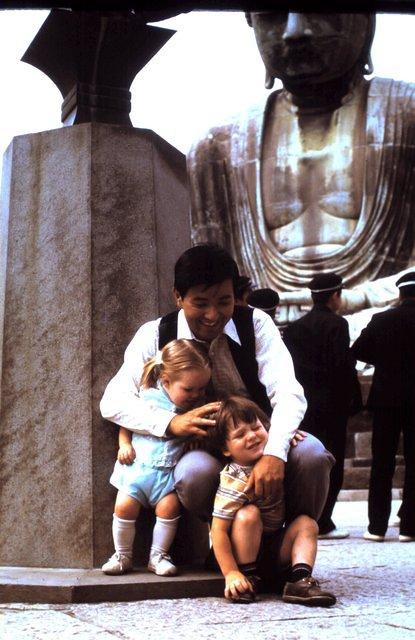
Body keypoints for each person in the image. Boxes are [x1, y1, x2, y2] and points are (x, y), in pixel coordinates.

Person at [188, 13, 415, 329]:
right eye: (273, 14)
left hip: (381, 323)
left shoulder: (407, 116)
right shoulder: (217, 148)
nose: (295, 31)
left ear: (367, 18)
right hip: (266, 331)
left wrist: (354, 301)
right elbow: (207, 290)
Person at [100, 243, 334, 541]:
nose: (213, 315)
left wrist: (275, 451)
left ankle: (294, 544)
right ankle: (225, 544)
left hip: (258, 437)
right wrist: (171, 424)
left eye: (224, 302)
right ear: (178, 297)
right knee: (192, 474)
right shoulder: (155, 334)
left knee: (312, 455)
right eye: (200, 303)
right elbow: (113, 401)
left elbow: (288, 391)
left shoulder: (255, 324)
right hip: (200, 450)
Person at [210, 396, 336, 607]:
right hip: (242, 550)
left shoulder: (276, 458)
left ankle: (299, 581)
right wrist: (231, 572)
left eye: (256, 428)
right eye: (240, 434)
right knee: (247, 514)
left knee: (307, 523)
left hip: (274, 548)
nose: (251, 436)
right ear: (225, 449)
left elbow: (276, 437)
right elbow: (218, 530)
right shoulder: (234, 479)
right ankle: (248, 579)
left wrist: (284, 437)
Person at [101, 338, 212, 576]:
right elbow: (127, 421)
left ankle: (158, 555)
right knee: (123, 506)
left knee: (170, 509)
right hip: (138, 469)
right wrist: (124, 444)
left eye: (201, 389)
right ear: (166, 381)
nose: (196, 395)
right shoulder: (149, 397)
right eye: (189, 390)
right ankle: (122, 555)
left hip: (167, 475)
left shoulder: (196, 407)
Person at [283, 273, 361, 539]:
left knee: (305, 459)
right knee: (332, 461)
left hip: (304, 406)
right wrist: (354, 400)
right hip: (332, 406)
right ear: (335, 295)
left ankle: (302, 517)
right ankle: (324, 520)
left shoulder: (294, 328)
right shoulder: (337, 325)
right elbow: (344, 367)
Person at [351, 271, 415, 543]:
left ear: (400, 294)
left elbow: (358, 351)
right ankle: (410, 527)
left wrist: (386, 359)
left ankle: (376, 526)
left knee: (382, 463)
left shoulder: (381, 319)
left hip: (386, 399)